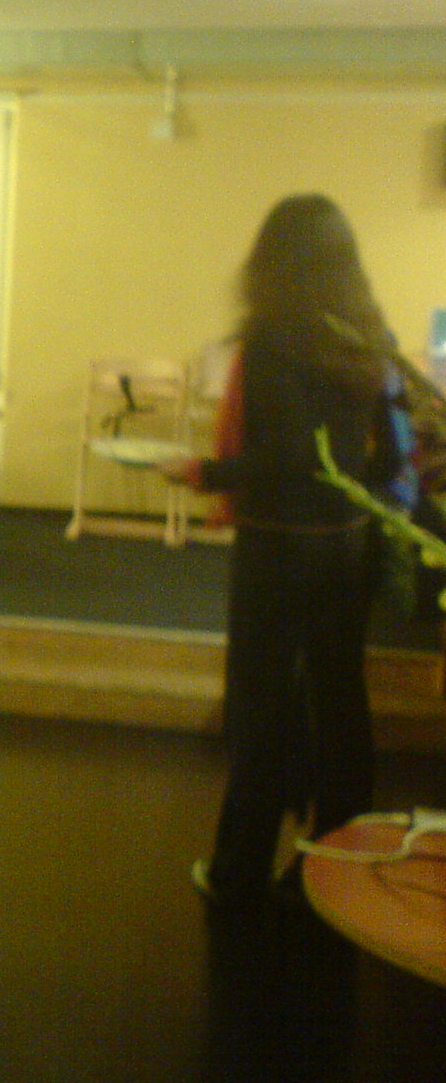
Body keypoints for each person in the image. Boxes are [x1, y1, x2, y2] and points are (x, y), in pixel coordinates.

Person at [162, 194, 399, 908]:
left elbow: (289, 454)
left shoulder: (273, 337)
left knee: (261, 708)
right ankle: (337, 863)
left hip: (278, 548)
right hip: (347, 545)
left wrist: (206, 473)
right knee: (340, 702)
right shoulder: (368, 335)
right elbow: (387, 459)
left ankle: (239, 871)